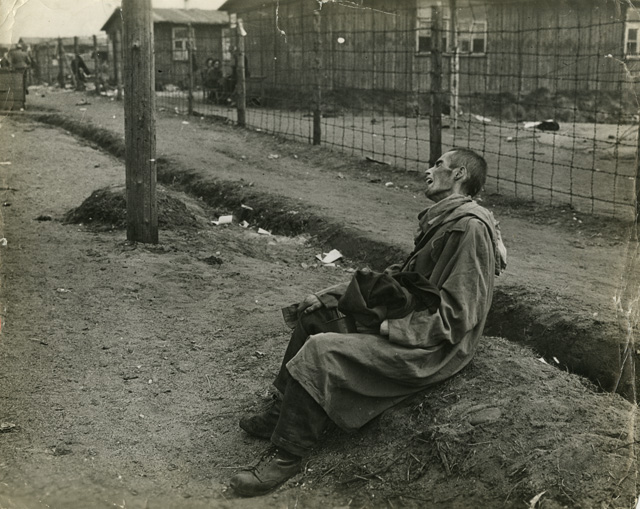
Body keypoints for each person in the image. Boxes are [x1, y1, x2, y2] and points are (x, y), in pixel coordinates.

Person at [229, 147, 508, 497]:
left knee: (320, 350)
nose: (428, 170)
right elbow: (399, 279)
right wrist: (333, 294)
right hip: (416, 324)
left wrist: (392, 329)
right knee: (316, 316)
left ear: (459, 174)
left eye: (438, 164)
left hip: (434, 347)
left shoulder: (470, 228)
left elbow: (460, 313)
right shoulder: (445, 220)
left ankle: (286, 454)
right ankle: (282, 412)